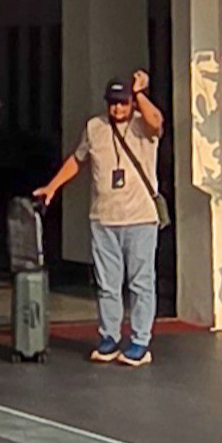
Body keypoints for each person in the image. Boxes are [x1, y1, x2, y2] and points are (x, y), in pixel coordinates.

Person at [33, 71, 166, 365]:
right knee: (107, 284)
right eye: (113, 103)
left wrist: (140, 93)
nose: (117, 108)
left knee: (141, 282)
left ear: (131, 103)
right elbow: (77, 159)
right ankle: (109, 337)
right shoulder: (95, 127)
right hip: (104, 218)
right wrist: (52, 187)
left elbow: (157, 121)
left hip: (140, 218)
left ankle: (140, 340)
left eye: (123, 102)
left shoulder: (142, 125)